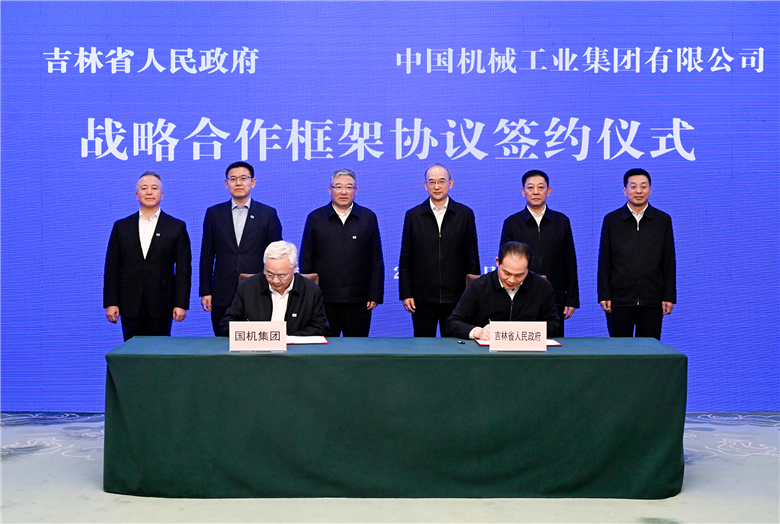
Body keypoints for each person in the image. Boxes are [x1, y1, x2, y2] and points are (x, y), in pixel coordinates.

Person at [104, 171, 192, 341]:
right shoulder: (121, 227)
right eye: (144, 188)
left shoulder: (176, 227)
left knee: (160, 351)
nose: (149, 192)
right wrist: (111, 302)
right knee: (131, 351)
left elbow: (183, 270)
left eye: (154, 188)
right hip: (129, 302)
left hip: (162, 302)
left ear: (162, 194)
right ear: (137, 195)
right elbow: (112, 267)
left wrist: (181, 303)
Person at [199, 161, 282, 336]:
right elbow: (207, 255)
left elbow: (276, 255)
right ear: (226, 183)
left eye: (243, 178)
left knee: (258, 342)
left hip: (259, 291)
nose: (238, 183)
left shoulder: (267, 214)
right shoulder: (214, 213)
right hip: (222, 292)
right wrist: (206, 291)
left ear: (253, 182)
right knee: (222, 342)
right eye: (233, 179)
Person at [300, 168, 384, 337]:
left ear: (355, 190)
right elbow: (306, 259)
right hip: (324, 300)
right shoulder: (315, 218)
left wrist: (374, 294)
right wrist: (309, 295)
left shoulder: (368, 217)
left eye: (349, 187)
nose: (343, 192)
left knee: (357, 348)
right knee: (325, 347)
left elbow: (376, 259)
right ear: (330, 190)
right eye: (338, 187)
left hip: (359, 299)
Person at [399, 164, 480, 337]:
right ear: (425, 185)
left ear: (450, 183)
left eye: (441, 181)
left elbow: (472, 257)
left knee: (454, 345)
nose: (437, 186)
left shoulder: (464, 214)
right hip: (422, 298)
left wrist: (473, 293)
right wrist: (406, 293)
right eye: (432, 182)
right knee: (422, 345)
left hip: (456, 297)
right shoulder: (413, 215)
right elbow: (406, 257)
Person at [597, 168, 676, 340]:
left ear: (650, 190)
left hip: (652, 299)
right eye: (633, 186)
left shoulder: (662, 220)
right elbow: (604, 260)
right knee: (619, 350)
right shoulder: (612, 220)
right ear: (625, 190)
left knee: (649, 350)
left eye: (643, 186)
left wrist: (669, 296)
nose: (638, 191)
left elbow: (669, 260)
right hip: (619, 300)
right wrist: (604, 294)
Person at [499, 169, 579, 337]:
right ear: (523, 192)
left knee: (553, 343)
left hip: (554, 296)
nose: (535, 192)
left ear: (548, 191)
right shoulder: (512, 223)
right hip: (519, 295)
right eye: (530, 187)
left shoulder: (561, 221)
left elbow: (570, 261)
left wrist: (571, 298)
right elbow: (504, 263)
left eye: (541, 187)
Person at [444, 242, 560, 340]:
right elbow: (452, 323)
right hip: (486, 352)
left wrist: (526, 332)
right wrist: (478, 332)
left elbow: (554, 325)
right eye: (506, 273)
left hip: (529, 352)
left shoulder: (542, 287)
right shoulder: (479, 286)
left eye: (519, 275)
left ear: (528, 269)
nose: (511, 280)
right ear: (497, 262)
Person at [220, 241, 329, 336]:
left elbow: (321, 327)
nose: (275, 280)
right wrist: (257, 334)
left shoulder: (310, 291)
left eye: (282, 276)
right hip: (256, 349)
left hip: (294, 350)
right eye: (269, 274)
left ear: (294, 268)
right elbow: (226, 324)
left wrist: (286, 338)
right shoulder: (247, 287)